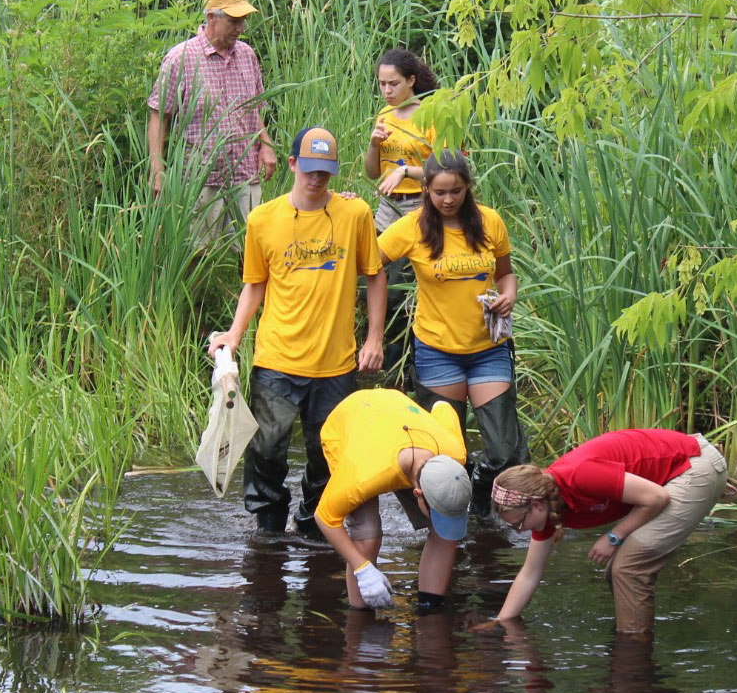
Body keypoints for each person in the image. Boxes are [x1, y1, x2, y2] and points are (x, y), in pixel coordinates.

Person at [207, 126, 387, 541]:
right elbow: (255, 284)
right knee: (266, 448)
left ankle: (312, 523)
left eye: (324, 171)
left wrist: (374, 338)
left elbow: (374, 276)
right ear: (291, 164)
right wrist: (235, 335)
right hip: (277, 358)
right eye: (308, 169)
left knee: (328, 454)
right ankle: (269, 529)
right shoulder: (263, 219)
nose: (316, 179)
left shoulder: (354, 214)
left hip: (335, 362)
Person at [376, 150, 528, 511]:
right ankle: (454, 519)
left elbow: (506, 272)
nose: (447, 200)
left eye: (455, 191)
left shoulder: (490, 222)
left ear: (467, 188)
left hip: (488, 347)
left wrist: (508, 295)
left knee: (506, 451)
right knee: (447, 454)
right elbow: (367, 262)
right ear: (426, 189)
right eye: (439, 192)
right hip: (436, 351)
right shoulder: (412, 228)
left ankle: (480, 491)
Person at [488, 429, 727, 634]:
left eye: (519, 524)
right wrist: (500, 623)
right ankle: (632, 640)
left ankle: (633, 657)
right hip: (672, 476)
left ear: (536, 506)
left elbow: (656, 497)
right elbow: (529, 575)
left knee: (628, 569)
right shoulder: (547, 510)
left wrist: (614, 537)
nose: (519, 531)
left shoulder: (579, 475)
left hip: (694, 466)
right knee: (616, 571)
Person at [314, 388, 472, 612]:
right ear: (417, 493)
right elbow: (325, 518)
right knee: (367, 536)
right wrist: (363, 569)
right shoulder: (364, 474)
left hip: (398, 411)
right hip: (350, 420)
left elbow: (443, 407)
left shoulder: (454, 451)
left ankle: (430, 608)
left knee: (444, 531)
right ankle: (361, 614)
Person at [147, 0, 277, 244]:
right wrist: (156, 167)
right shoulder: (181, 58)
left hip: (244, 173)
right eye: (234, 20)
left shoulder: (247, 55)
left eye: (243, 21)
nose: (240, 28)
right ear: (211, 18)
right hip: (201, 177)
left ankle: (242, 287)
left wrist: (266, 145)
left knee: (252, 252)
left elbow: (254, 110)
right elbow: (159, 115)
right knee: (195, 252)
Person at [363, 48, 439, 385]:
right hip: (386, 210)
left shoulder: (432, 116)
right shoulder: (384, 117)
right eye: (381, 84)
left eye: (393, 83)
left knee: (413, 290)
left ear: (411, 80)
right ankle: (389, 367)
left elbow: (447, 171)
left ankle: (418, 365)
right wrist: (374, 145)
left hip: (420, 208)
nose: (387, 91)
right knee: (380, 285)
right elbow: (370, 172)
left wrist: (407, 171)